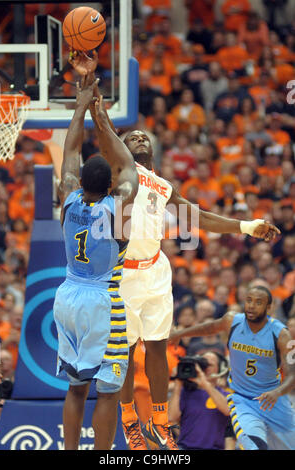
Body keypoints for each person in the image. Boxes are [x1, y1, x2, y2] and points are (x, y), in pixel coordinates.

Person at [71, 51, 281, 451]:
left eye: (143, 137)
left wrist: (246, 226)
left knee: (157, 346)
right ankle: (130, 417)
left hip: (156, 269)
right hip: (123, 273)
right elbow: (103, 127)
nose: (139, 138)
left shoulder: (163, 186)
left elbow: (197, 216)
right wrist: (92, 81)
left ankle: (162, 422)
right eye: (131, 138)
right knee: (127, 352)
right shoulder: (122, 171)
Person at [53, 69, 138, 450]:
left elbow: (70, 153)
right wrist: (102, 116)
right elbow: (129, 168)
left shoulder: (68, 198)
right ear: (109, 187)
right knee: (106, 391)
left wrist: (81, 106)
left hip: (67, 295)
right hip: (102, 302)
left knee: (75, 388)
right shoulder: (117, 209)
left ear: (79, 182)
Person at [169, 286, 295, 450]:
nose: (251, 305)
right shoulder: (232, 320)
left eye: (258, 302)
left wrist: (277, 392)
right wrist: (180, 334)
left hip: (273, 399)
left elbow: (292, 375)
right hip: (243, 400)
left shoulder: (281, 334)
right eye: (249, 300)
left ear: (269, 308)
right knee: (254, 446)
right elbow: (208, 328)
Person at [168, 351, 230, 450]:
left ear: (220, 369)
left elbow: (227, 410)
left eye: (209, 365)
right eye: (202, 364)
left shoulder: (225, 395)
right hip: (185, 447)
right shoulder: (186, 392)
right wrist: (178, 385)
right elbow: (171, 417)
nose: (205, 368)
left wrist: (204, 383)